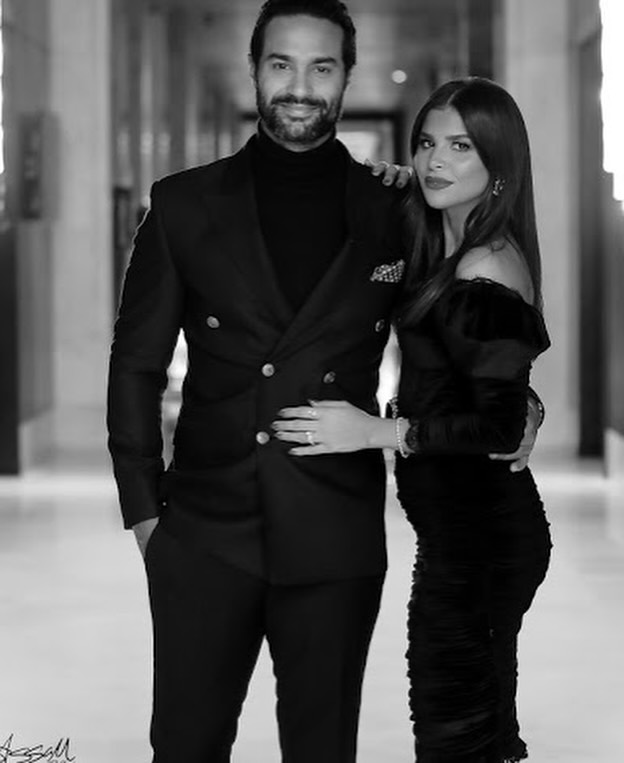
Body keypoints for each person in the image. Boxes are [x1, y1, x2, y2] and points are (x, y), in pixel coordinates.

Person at [107, 1, 417, 760]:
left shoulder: (397, 207)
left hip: (335, 530)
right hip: (205, 529)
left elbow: (454, 345)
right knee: (186, 744)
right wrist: (146, 515)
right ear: (254, 70)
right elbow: (136, 363)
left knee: (321, 748)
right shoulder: (184, 203)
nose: (300, 86)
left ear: (347, 76)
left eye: (321, 67)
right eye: (282, 64)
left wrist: (514, 403)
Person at [273, 77, 552, 763]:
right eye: (427, 143)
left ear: (499, 164)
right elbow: (497, 387)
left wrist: (376, 431)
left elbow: (494, 425)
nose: (435, 161)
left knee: (456, 731)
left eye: (461, 147)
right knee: (474, 726)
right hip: (459, 537)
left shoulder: (486, 264)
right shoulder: (446, 240)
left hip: (481, 542)